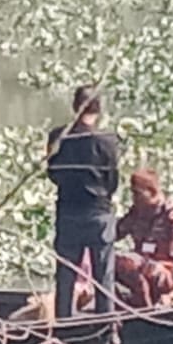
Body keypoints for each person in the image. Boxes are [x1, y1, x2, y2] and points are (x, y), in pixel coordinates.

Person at [46, 86, 120, 318]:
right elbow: (113, 180)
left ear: (74, 106)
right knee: (103, 277)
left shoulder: (58, 137)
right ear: (99, 109)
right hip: (99, 213)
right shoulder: (109, 141)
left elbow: (52, 172)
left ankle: (64, 326)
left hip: (68, 211)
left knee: (66, 277)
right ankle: (105, 325)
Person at [114, 168, 173, 308]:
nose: (134, 199)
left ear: (152, 192)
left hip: (169, 275)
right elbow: (114, 234)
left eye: (137, 194)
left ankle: (147, 309)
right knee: (109, 261)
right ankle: (127, 304)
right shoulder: (135, 214)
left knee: (135, 263)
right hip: (141, 271)